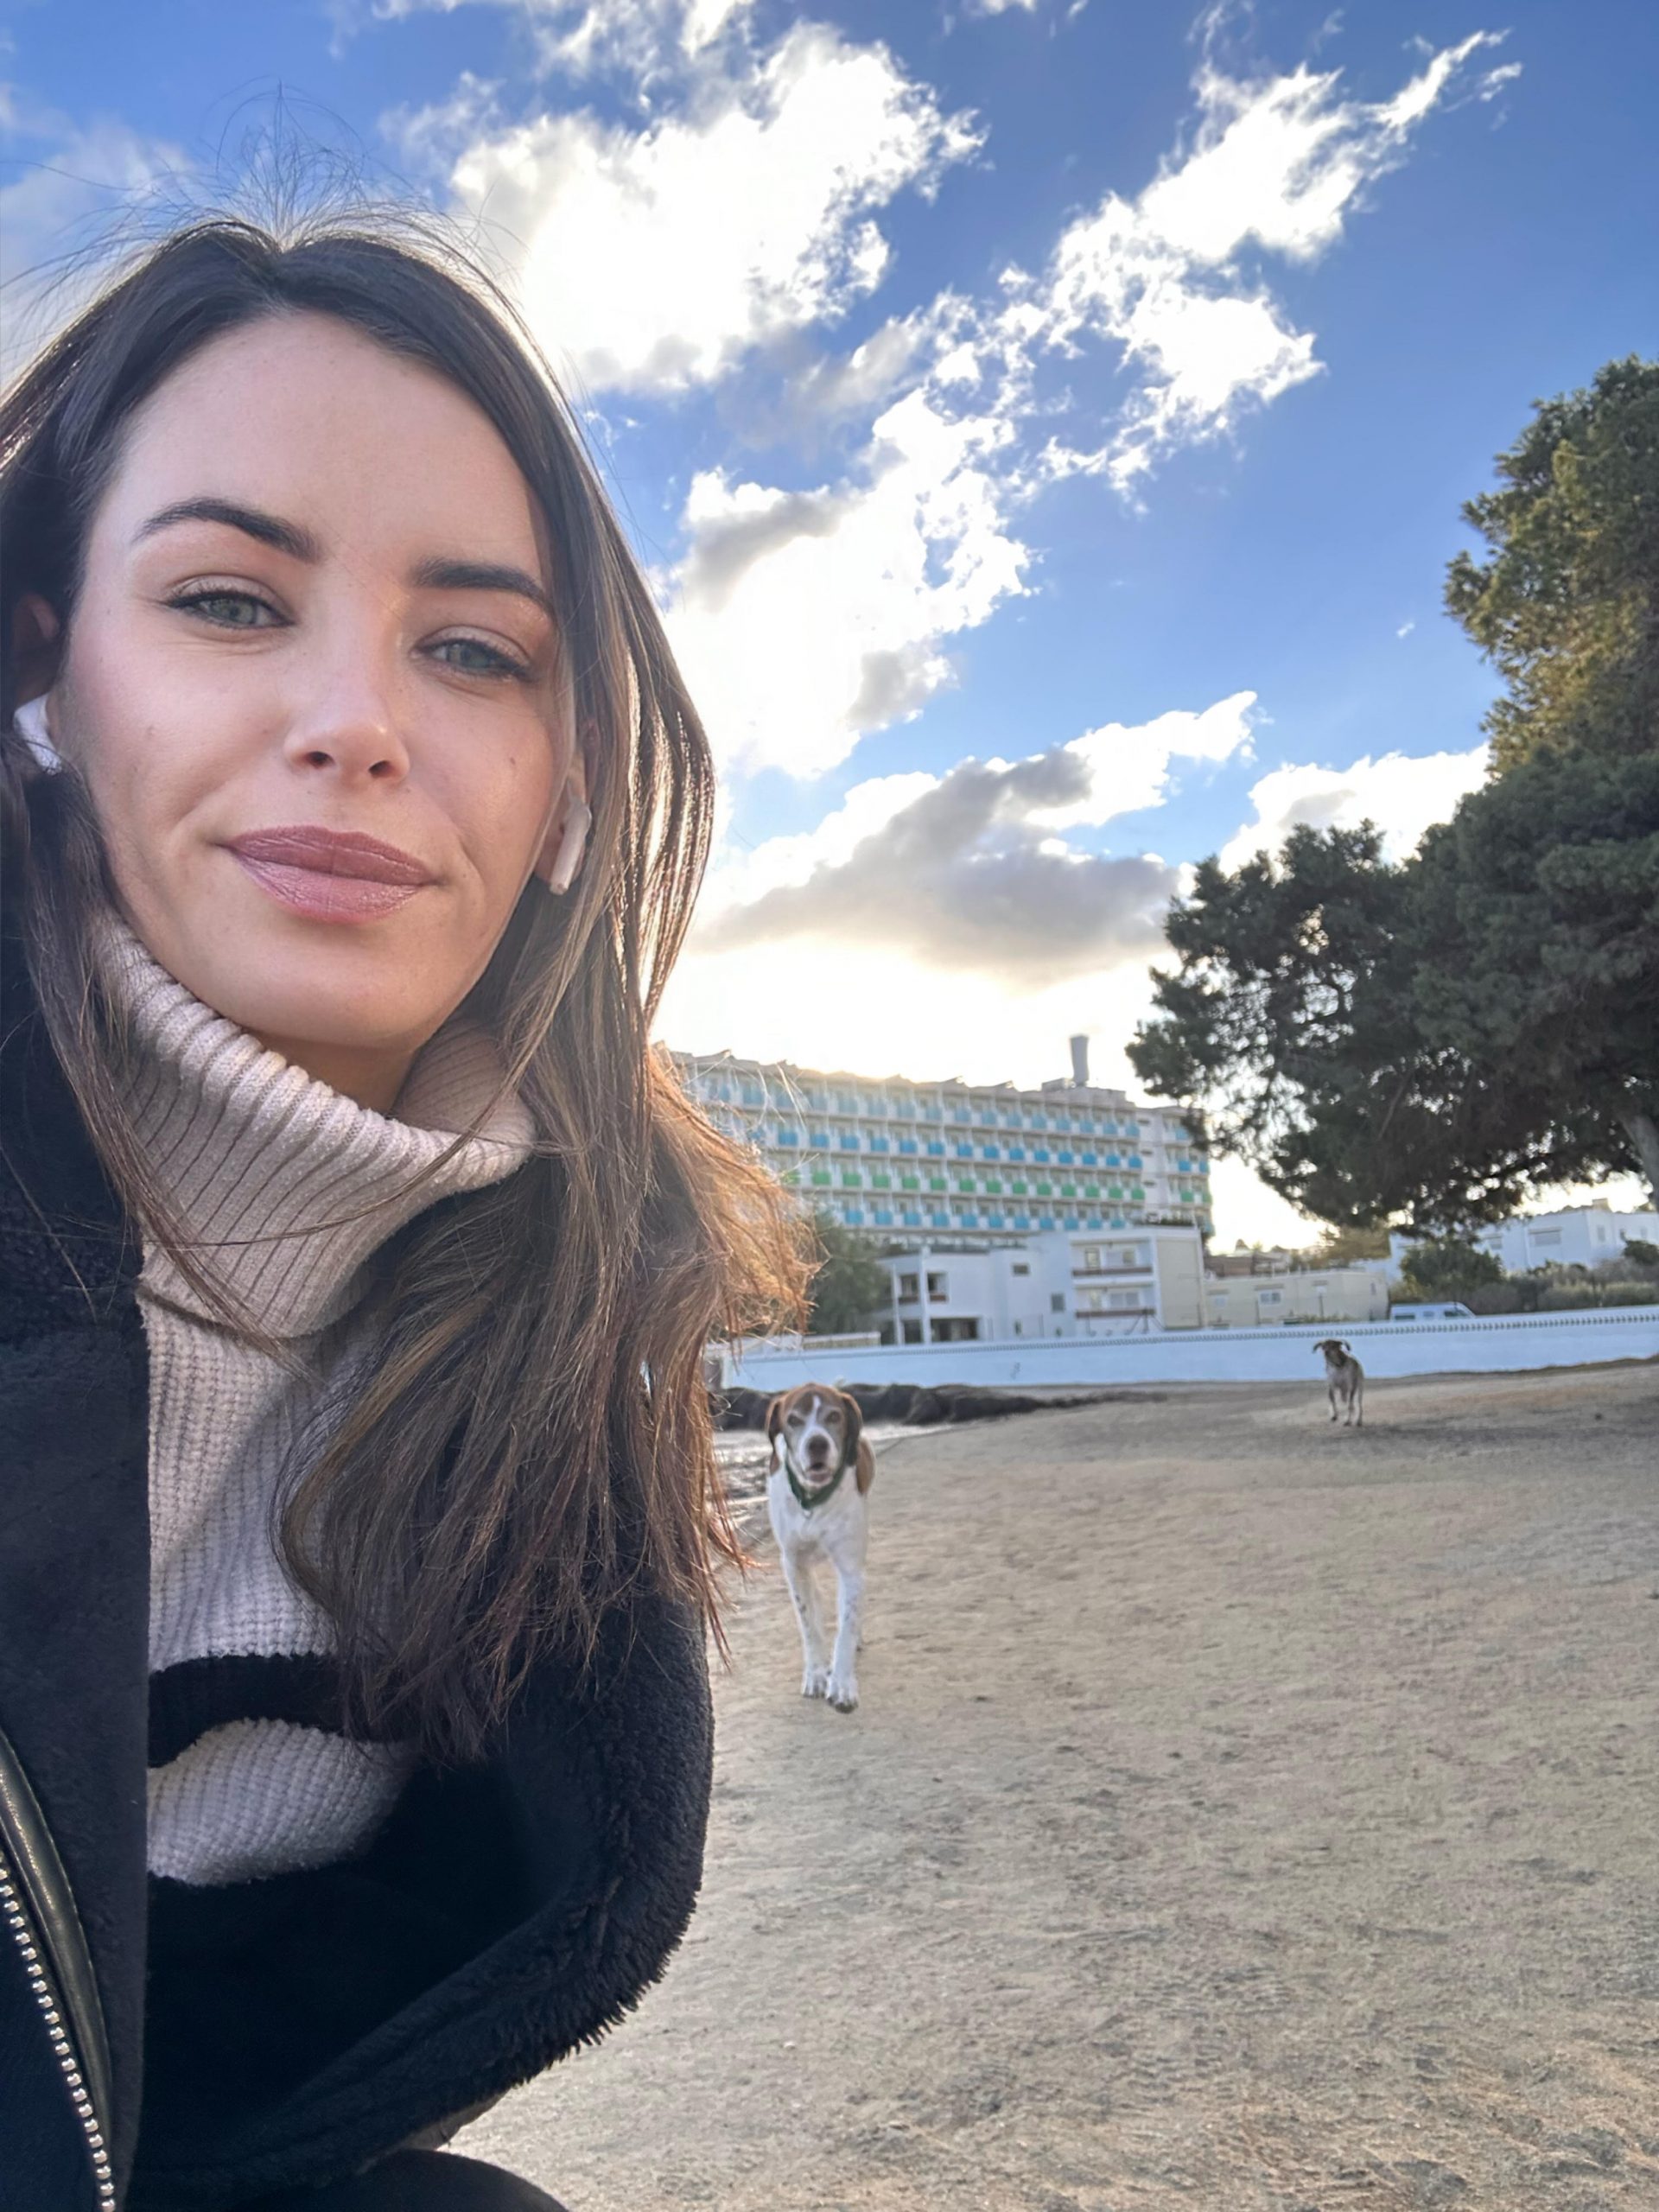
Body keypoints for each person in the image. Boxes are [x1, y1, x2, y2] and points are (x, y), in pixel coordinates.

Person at [0, 214, 804, 2211]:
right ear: (41, 674)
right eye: (225, 598)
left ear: (570, 785)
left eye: (471, 647)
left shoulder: (551, 1316)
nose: (357, 720)